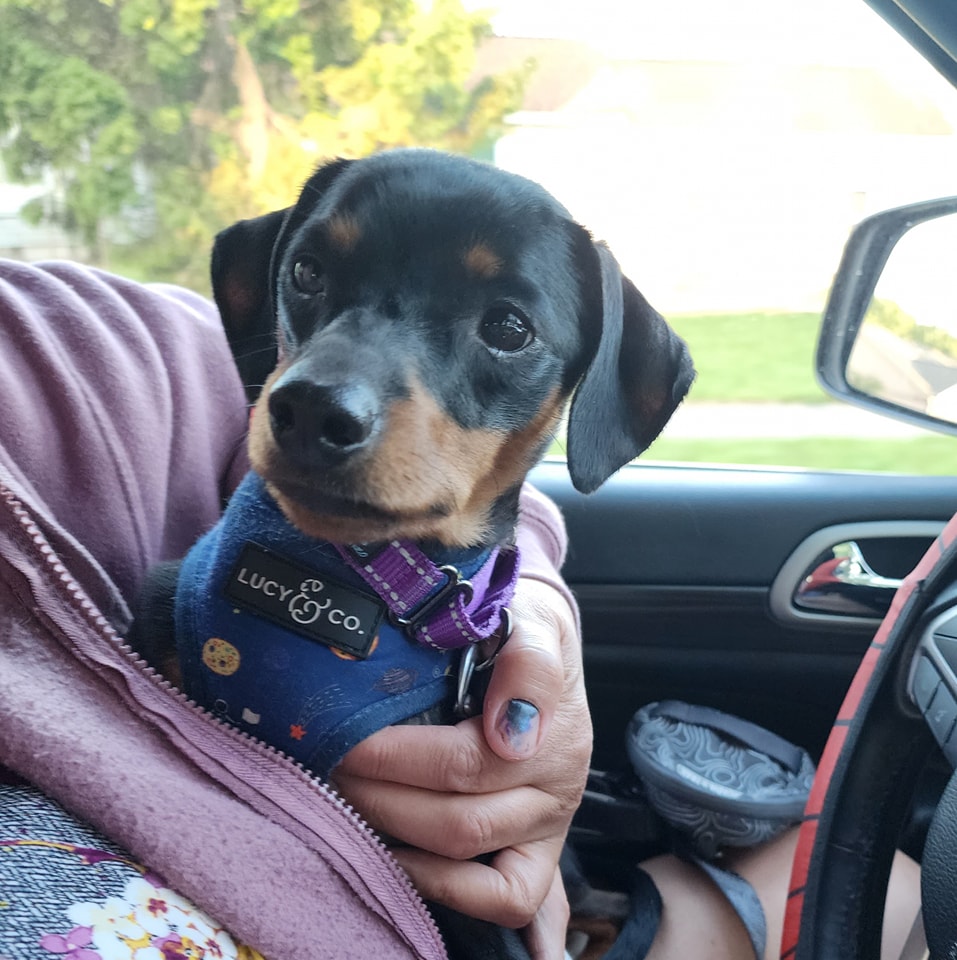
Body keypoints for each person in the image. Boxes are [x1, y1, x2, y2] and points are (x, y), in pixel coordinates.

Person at [0, 259, 920, 960]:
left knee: (898, 884)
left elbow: (496, 504)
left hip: (495, 914)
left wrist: (531, 618)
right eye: (319, 280)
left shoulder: (67, 339)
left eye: (507, 326)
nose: (327, 394)